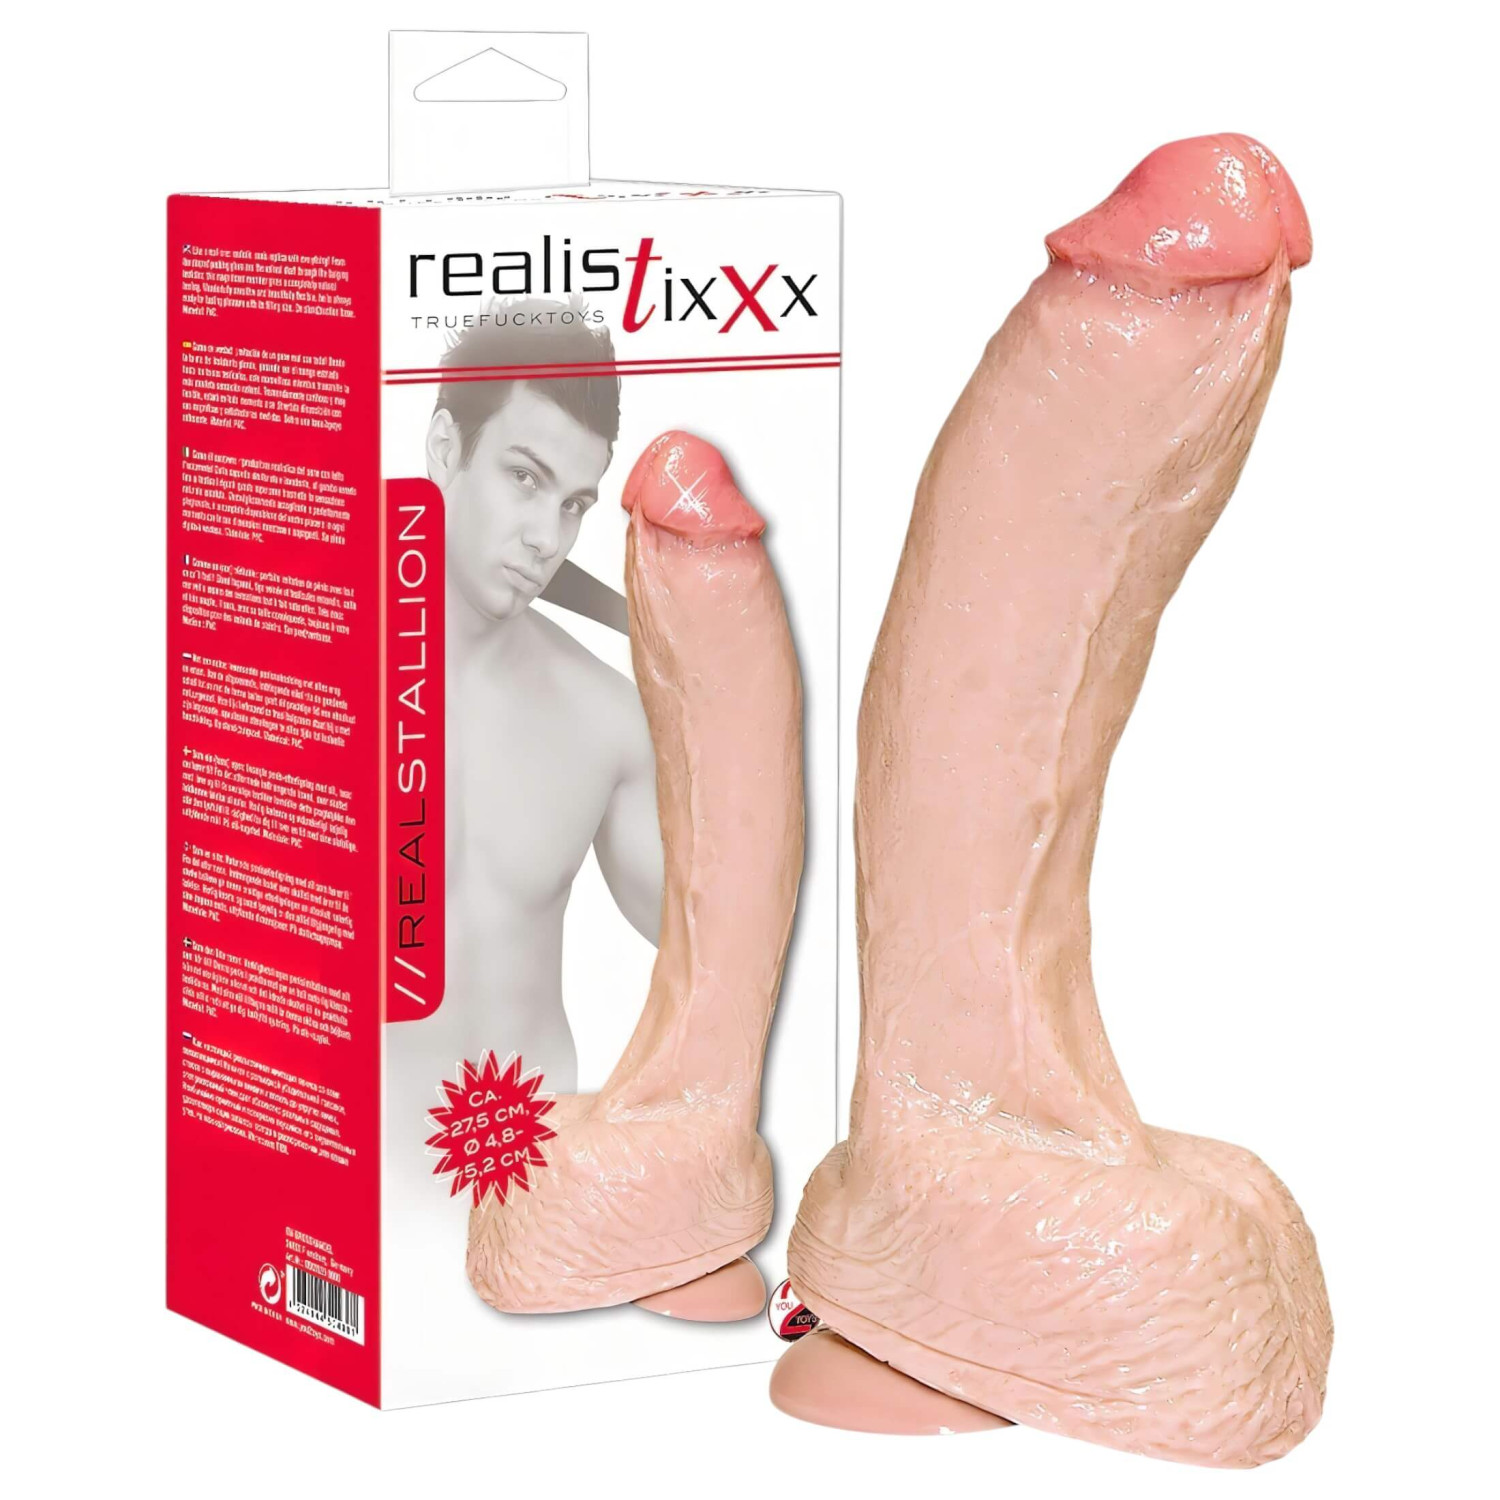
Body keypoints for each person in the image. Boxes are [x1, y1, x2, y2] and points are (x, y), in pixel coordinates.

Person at [389, 300, 663, 1144]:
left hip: (527, 1186)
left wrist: (729, 683)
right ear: (446, 451)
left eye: (574, 503)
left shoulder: (607, 718)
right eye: (524, 478)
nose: (549, 537)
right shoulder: (296, 683)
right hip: (334, 1183)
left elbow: (711, 939)